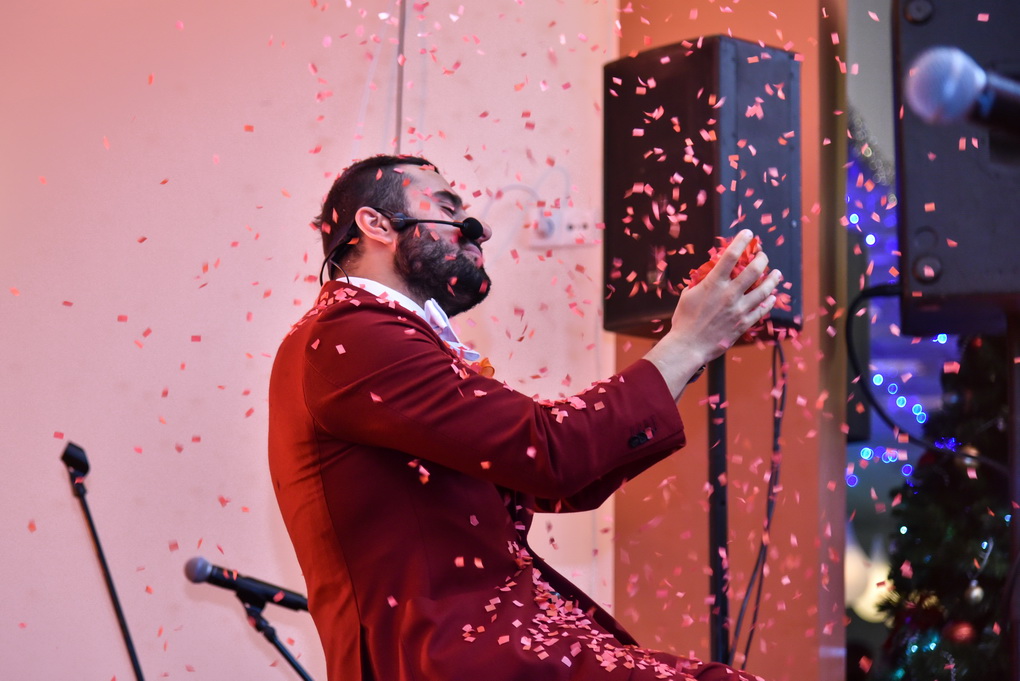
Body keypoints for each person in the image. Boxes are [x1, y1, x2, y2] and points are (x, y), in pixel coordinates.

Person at [268, 154, 781, 681]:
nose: (479, 230)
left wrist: (691, 351)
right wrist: (687, 343)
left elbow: (554, 481)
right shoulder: (351, 334)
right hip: (451, 659)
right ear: (376, 224)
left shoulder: (379, 336)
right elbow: (551, 453)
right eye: (447, 208)